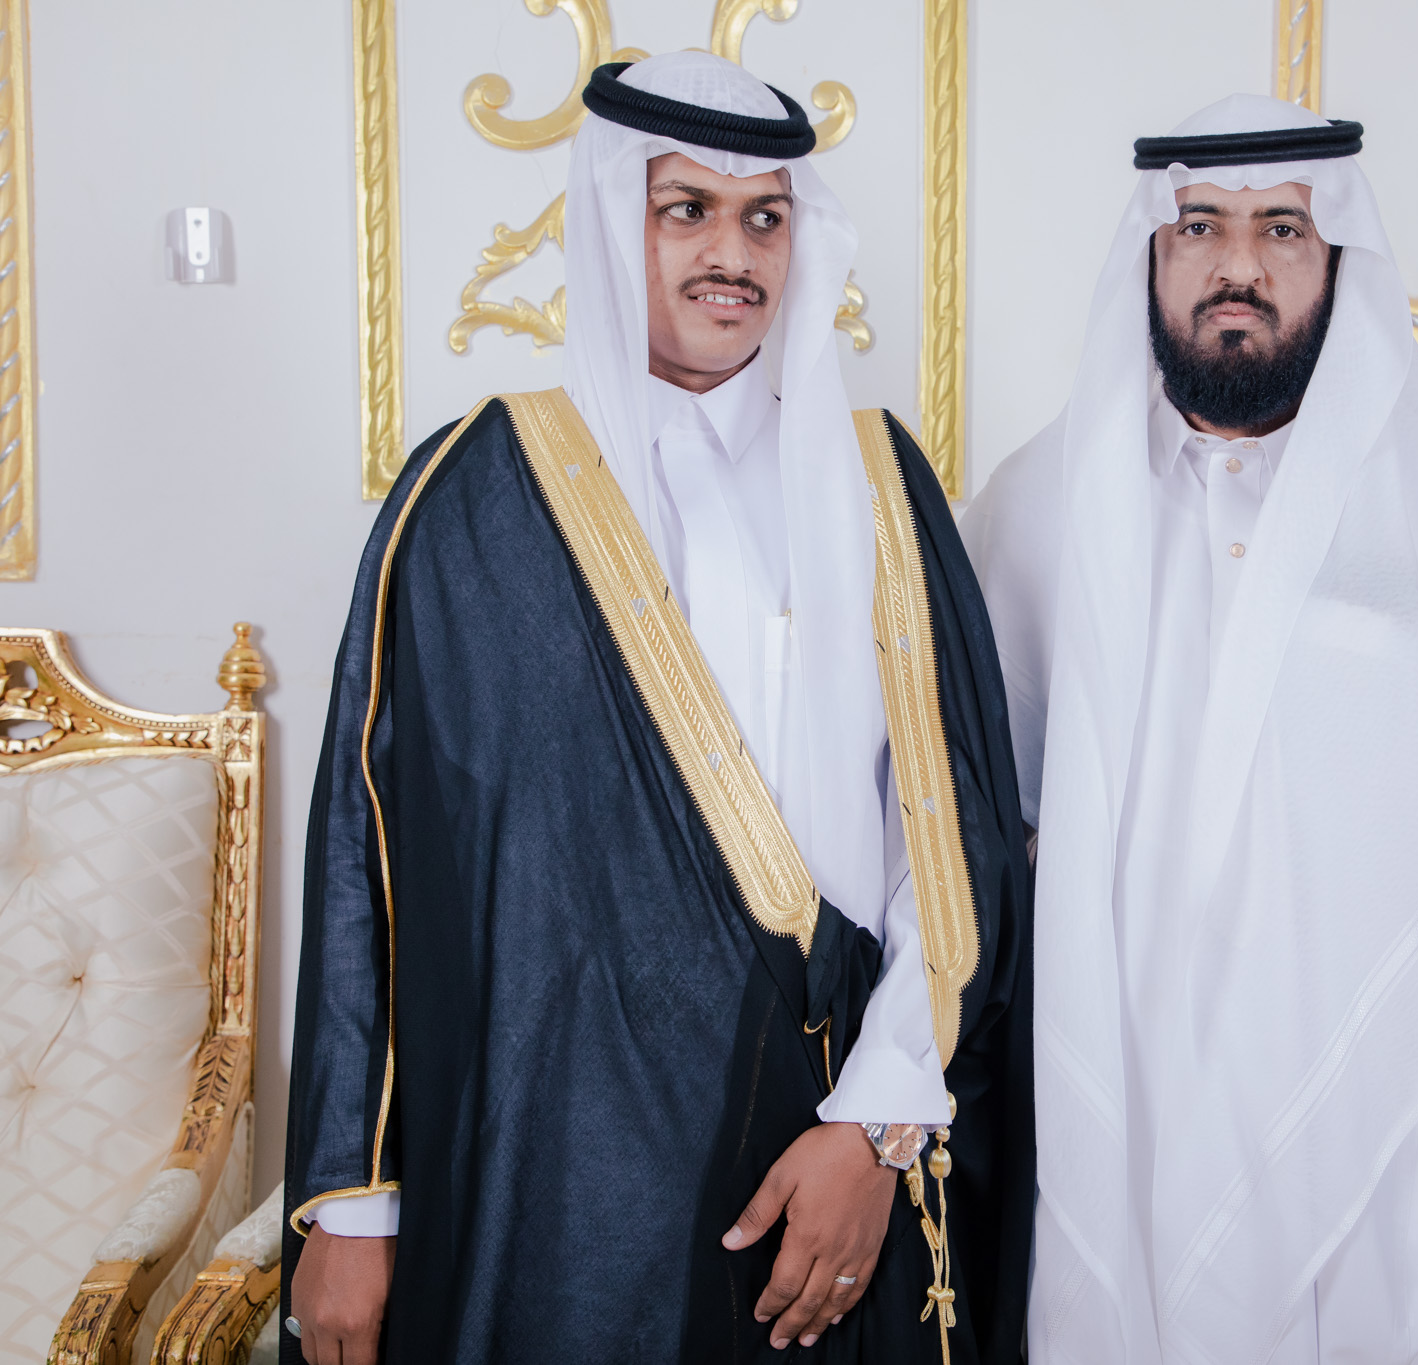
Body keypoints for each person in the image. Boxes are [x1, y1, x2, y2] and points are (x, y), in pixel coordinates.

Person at [282, 51, 1032, 1365]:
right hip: (558, 1172)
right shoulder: (471, 494)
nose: (730, 254)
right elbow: (370, 858)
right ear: (608, 220)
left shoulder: (878, 486)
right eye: (685, 209)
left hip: (827, 1142)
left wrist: (875, 1126)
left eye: (764, 217)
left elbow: (952, 835)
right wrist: (351, 1198)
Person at [960, 95, 1418, 1364]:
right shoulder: (1038, 507)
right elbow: (982, 839)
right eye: (1199, 227)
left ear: (1335, 259)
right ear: (1149, 255)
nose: (1238, 265)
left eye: (1281, 229)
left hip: (1395, 1130)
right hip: (1129, 1122)